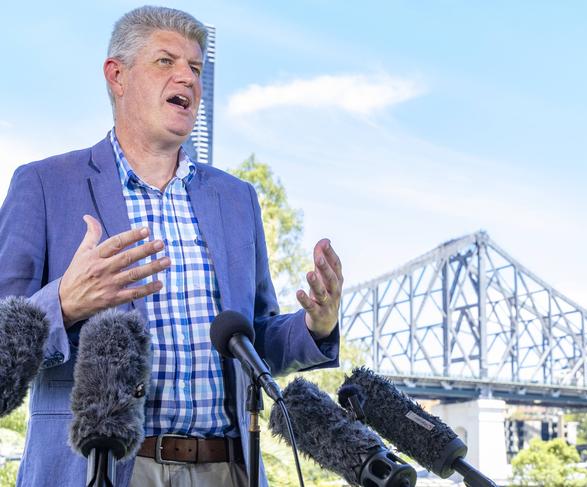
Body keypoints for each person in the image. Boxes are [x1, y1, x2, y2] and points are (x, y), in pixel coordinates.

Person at [0, 6, 342, 487]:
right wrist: (64, 304)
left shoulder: (237, 199)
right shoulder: (43, 185)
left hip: (230, 469)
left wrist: (315, 326)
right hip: (102, 470)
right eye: (166, 61)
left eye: (196, 68)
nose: (188, 77)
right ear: (117, 76)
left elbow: (252, 339)